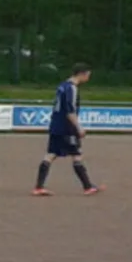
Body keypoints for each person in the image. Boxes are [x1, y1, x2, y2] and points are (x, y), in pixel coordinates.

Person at [32, 64, 100, 196]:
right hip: (66, 128)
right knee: (76, 155)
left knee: (51, 154)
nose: (88, 78)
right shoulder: (71, 88)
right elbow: (70, 111)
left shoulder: (62, 86)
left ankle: (38, 187)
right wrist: (78, 127)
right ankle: (88, 187)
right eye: (88, 75)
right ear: (82, 74)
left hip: (56, 125)